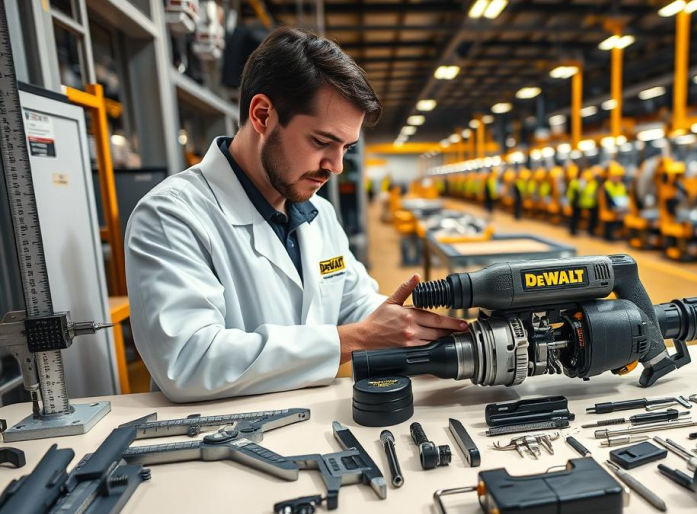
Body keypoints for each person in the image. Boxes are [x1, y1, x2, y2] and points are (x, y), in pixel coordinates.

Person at [125, 28, 467, 402]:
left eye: (346, 148)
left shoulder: (318, 213)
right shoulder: (172, 215)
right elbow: (189, 361)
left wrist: (420, 332)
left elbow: (353, 301)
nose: (335, 166)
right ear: (262, 115)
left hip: (311, 423)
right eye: (322, 142)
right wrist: (353, 339)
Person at [602, 163, 629, 241]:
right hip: (610, 208)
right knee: (610, 223)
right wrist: (614, 208)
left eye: (619, 177)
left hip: (620, 207)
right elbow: (607, 200)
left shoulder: (622, 186)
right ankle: (608, 237)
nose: (618, 178)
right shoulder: (606, 185)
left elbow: (626, 196)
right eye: (616, 176)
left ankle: (618, 235)